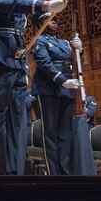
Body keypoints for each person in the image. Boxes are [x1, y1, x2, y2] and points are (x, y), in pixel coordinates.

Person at [0, 0, 67, 175]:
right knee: (0, 116)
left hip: (17, 62)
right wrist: (45, 4)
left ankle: (17, 169)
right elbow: (10, 5)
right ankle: (3, 169)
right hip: (0, 59)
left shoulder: (17, 2)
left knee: (19, 119)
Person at [30, 12, 82, 175]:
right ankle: (53, 172)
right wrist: (62, 80)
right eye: (49, 20)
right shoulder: (38, 41)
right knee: (50, 132)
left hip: (65, 89)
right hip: (47, 89)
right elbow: (45, 64)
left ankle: (65, 170)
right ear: (40, 23)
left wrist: (79, 51)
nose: (54, 23)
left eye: (55, 20)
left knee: (65, 132)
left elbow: (74, 63)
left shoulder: (64, 43)